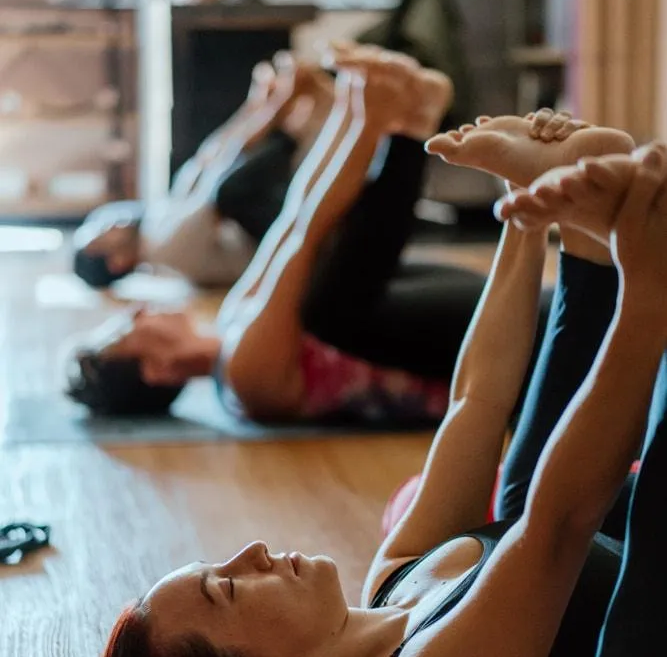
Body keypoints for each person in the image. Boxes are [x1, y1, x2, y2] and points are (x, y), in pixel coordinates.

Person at [85, 109, 667, 657]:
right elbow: (558, 525)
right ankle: (620, 263)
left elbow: (474, 406)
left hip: (614, 522)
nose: (252, 553)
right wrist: (647, 295)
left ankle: (586, 252)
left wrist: (522, 214)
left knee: (514, 495)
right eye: (229, 585)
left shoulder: (395, 581)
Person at [66, 51, 559, 426]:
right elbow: (304, 234)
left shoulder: (235, 324)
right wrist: (368, 121)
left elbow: (291, 222)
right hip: (522, 370)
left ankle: (413, 123)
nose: (136, 311)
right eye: (124, 332)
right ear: (158, 370)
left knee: (322, 286)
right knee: (327, 307)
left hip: (491, 328)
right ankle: (411, 129)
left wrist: (352, 106)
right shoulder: (246, 377)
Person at [72, 55, 334, 289]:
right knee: (228, 187)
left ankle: (287, 103)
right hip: (275, 231)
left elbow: (206, 159)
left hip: (260, 204)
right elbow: (220, 184)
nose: (110, 224)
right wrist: (276, 108)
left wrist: (255, 105)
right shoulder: (167, 250)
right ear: (117, 263)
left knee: (211, 166)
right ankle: (296, 110)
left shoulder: (156, 225)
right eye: (103, 235)